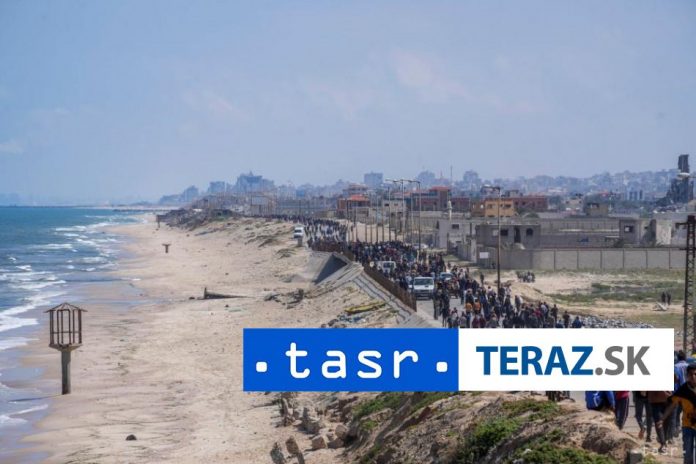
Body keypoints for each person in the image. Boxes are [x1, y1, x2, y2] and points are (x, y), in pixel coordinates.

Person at [658, 364, 696, 463]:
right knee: (688, 454)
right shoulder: (683, 390)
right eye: (691, 374)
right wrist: (662, 419)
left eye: (695, 374)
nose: (693, 377)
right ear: (687, 376)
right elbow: (672, 405)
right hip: (687, 425)